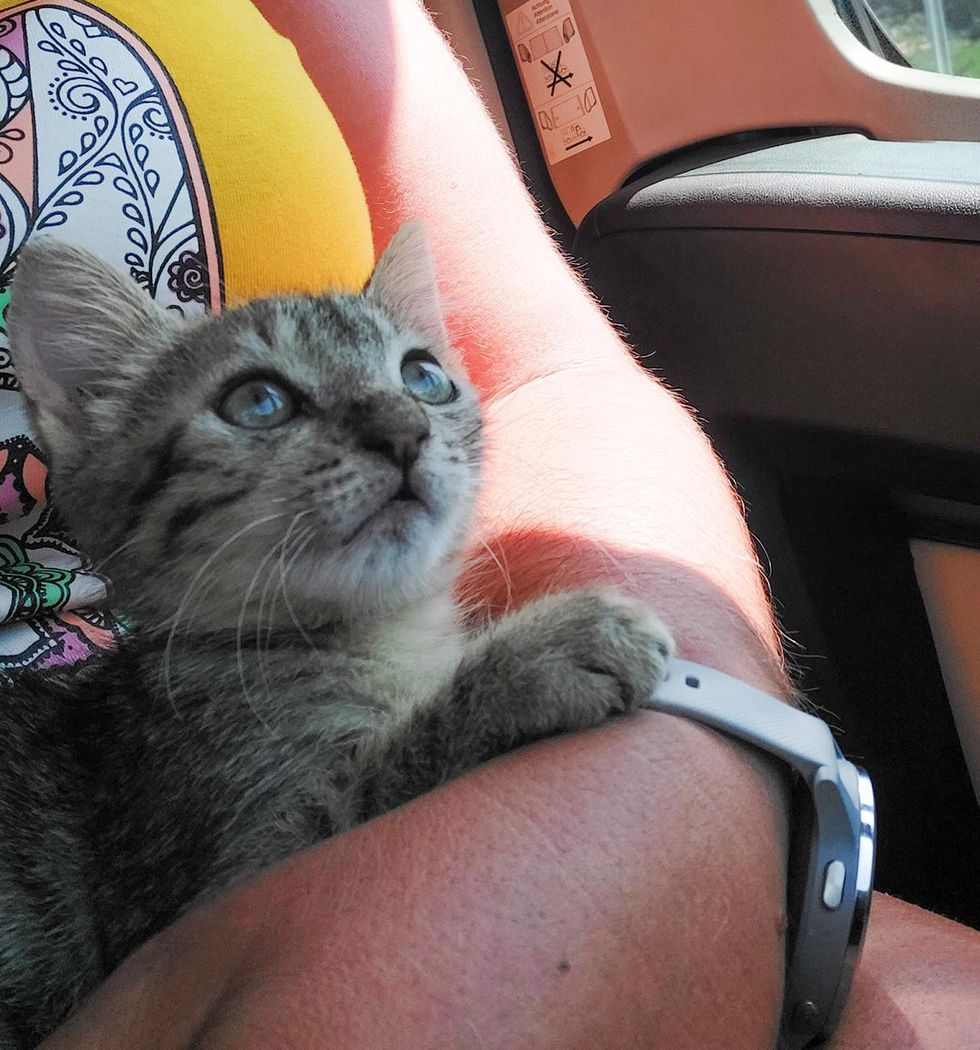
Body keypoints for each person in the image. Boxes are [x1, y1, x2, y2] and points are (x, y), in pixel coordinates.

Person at [0, 1, 970, 1046]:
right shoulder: (189, 715)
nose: (395, 428)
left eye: (421, 374)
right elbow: (252, 888)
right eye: (260, 402)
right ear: (98, 431)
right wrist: (461, 730)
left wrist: (700, 743)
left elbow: (543, 377)